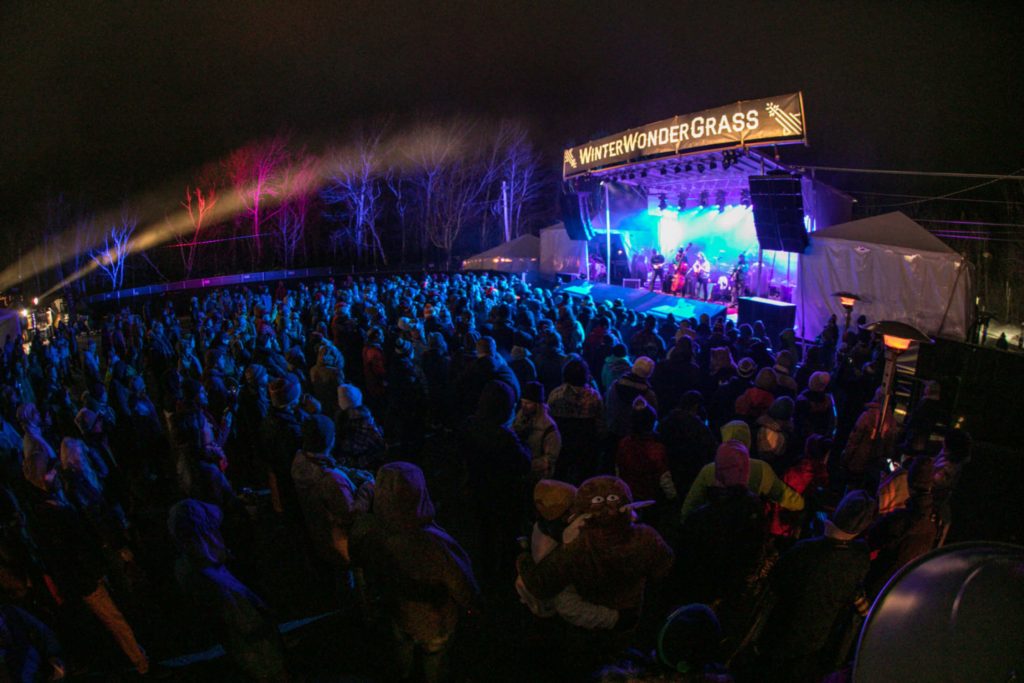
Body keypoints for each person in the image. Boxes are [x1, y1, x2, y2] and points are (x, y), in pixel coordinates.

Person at [350, 462, 479, 683]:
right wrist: (473, 606)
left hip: (396, 609)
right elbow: (462, 586)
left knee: (402, 647)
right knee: (434, 660)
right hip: (433, 620)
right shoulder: (433, 544)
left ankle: (404, 674)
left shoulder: (369, 529)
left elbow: (358, 554)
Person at [755, 490, 875, 682]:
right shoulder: (860, 560)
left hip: (781, 631)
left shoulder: (805, 550)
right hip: (815, 642)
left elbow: (775, 582)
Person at [512, 382, 562, 480]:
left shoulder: (549, 428)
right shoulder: (520, 417)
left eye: (528, 403)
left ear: (538, 404)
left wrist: (528, 464)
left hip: (538, 476)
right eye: (522, 402)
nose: (524, 406)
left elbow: (550, 458)